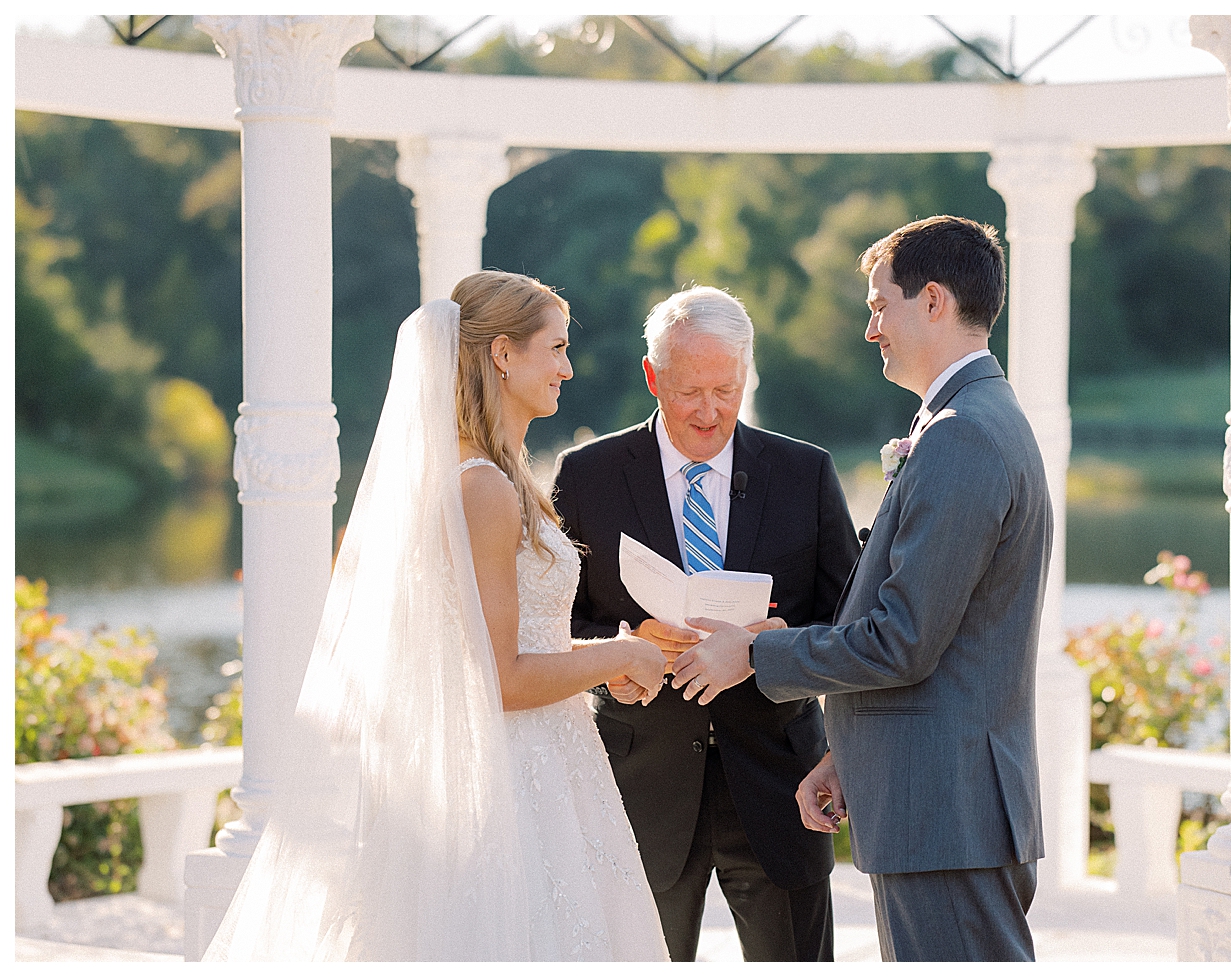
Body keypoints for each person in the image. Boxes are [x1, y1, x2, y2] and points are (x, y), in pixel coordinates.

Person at [203, 271, 670, 961]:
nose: (567, 368)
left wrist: (608, 652)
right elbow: (502, 680)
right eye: (556, 348)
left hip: (541, 761)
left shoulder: (484, 473)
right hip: (516, 777)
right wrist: (622, 657)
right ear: (503, 354)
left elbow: (493, 641)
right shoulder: (483, 486)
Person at [670, 216, 1052, 962]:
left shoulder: (963, 435)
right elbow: (949, 634)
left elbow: (902, 639)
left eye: (881, 304)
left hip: (947, 811)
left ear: (934, 300)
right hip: (940, 802)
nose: (871, 326)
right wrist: (848, 752)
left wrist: (753, 652)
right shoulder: (967, 419)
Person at [551, 286, 860, 962]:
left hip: (783, 782)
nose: (712, 410)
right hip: (639, 787)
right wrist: (621, 654)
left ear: (747, 373)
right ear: (652, 375)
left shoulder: (805, 472)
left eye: (728, 387)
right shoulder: (586, 475)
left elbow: (851, 624)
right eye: (692, 390)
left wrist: (768, 645)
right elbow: (555, 622)